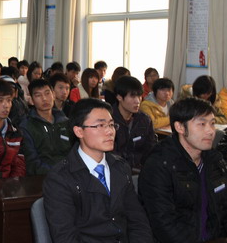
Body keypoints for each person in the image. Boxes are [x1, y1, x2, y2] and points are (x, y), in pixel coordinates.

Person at [43, 98, 152, 243]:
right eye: (100, 125)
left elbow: (138, 220)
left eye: (111, 125)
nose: (110, 131)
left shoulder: (120, 167)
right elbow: (65, 237)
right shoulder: (60, 178)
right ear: (79, 131)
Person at [138, 97, 227, 242]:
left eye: (212, 124)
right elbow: (164, 224)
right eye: (202, 124)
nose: (210, 131)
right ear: (180, 127)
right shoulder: (159, 165)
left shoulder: (214, 160)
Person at [20, 78, 72, 175]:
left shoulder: (65, 122)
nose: (44, 98)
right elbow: (32, 163)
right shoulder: (26, 126)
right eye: (38, 95)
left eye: (47, 93)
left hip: (69, 174)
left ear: (54, 95)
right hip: (42, 177)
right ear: (32, 100)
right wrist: (57, 173)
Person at [111, 76, 156, 170]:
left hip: (139, 170)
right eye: (132, 96)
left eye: (139, 96)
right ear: (119, 97)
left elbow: (151, 149)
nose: (138, 101)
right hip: (114, 170)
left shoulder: (144, 120)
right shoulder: (108, 120)